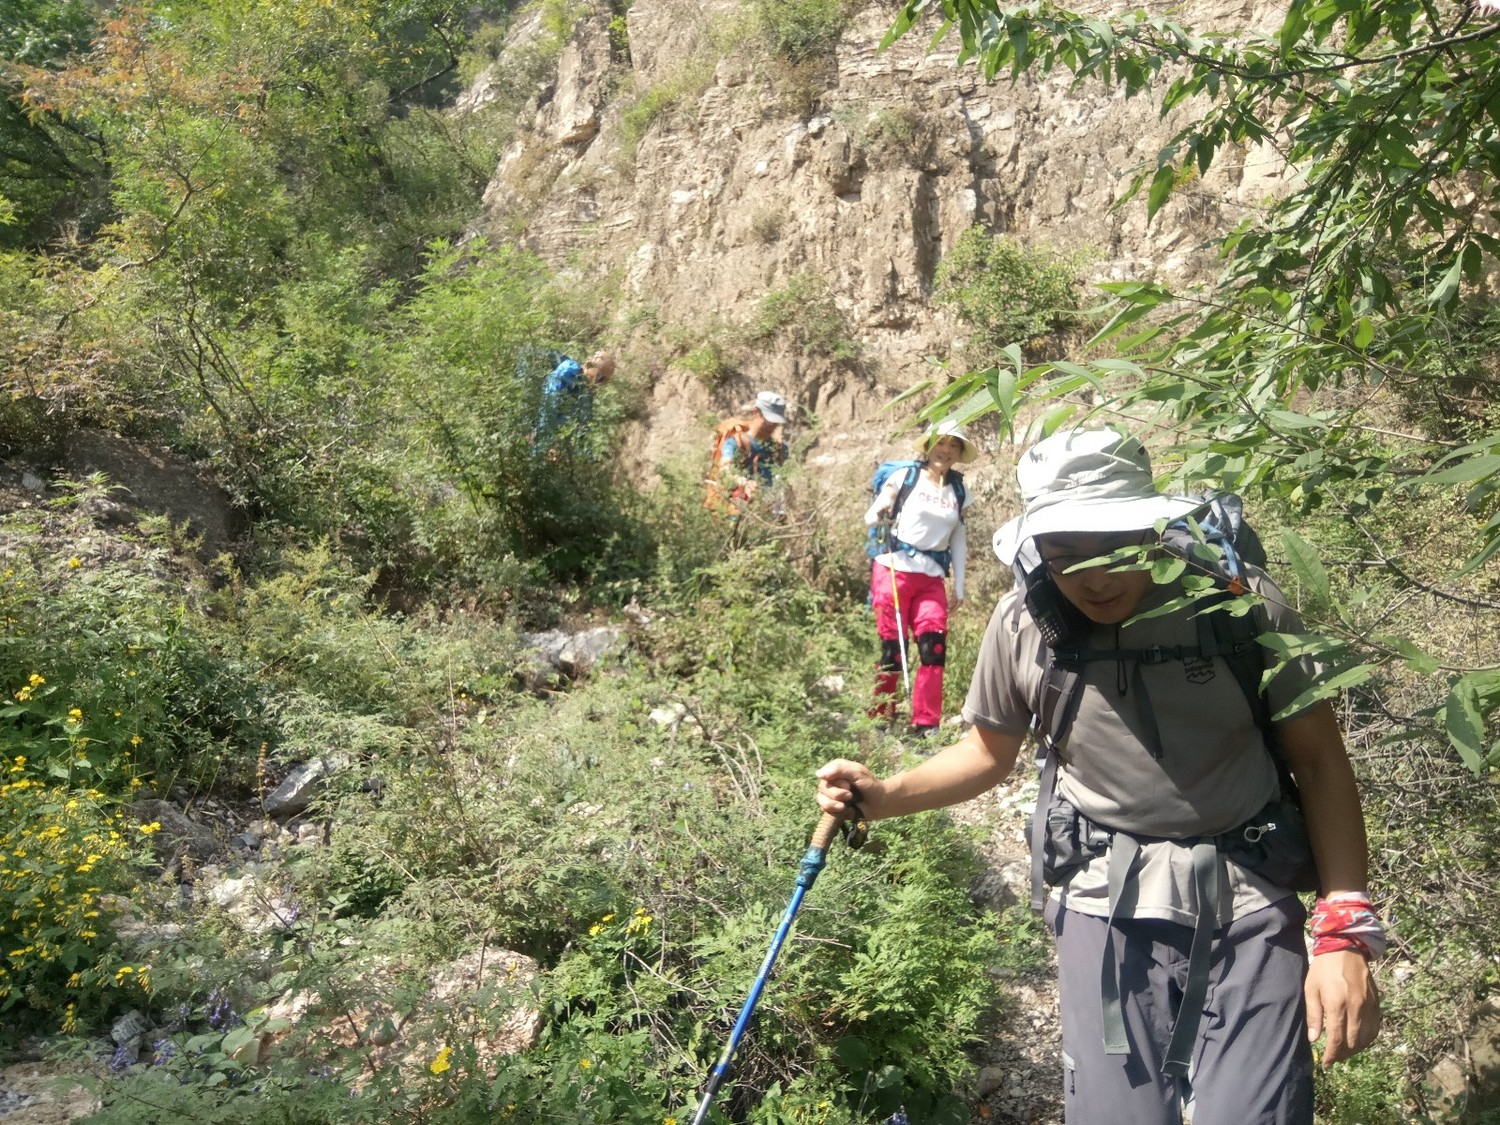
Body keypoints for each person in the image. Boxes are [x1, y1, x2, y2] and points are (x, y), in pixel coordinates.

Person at [817, 427, 1383, 1125]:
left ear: (1151, 526)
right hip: (1102, 900)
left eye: (1111, 545)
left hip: (1249, 895)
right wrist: (885, 795)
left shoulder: (1238, 603)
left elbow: (1321, 759)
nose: (1092, 576)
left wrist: (1343, 933)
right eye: (1063, 553)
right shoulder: (1027, 621)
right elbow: (991, 752)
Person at [866, 420, 977, 738]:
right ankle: (880, 716)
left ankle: (926, 724)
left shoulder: (959, 489)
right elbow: (870, 517)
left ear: (958, 453)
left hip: (931, 579)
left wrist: (959, 585)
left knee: (934, 647)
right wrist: (883, 509)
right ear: (929, 446)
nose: (946, 450)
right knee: (892, 649)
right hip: (893, 569)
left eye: (953, 445)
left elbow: (958, 538)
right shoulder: (906, 477)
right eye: (940, 443)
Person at [705, 390, 789, 514]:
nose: (772, 426)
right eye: (769, 421)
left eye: (776, 423)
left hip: (768, 514)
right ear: (756, 412)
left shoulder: (779, 449)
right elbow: (725, 470)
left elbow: (784, 479)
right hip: (737, 512)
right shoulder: (736, 443)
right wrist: (742, 482)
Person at [534, 350, 616, 456]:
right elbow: (549, 408)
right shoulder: (567, 371)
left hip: (560, 448)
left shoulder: (586, 394)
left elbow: (583, 425)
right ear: (591, 366)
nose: (599, 383)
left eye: (603, 381)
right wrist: (548, 444)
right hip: (543, 437)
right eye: (600, 378)